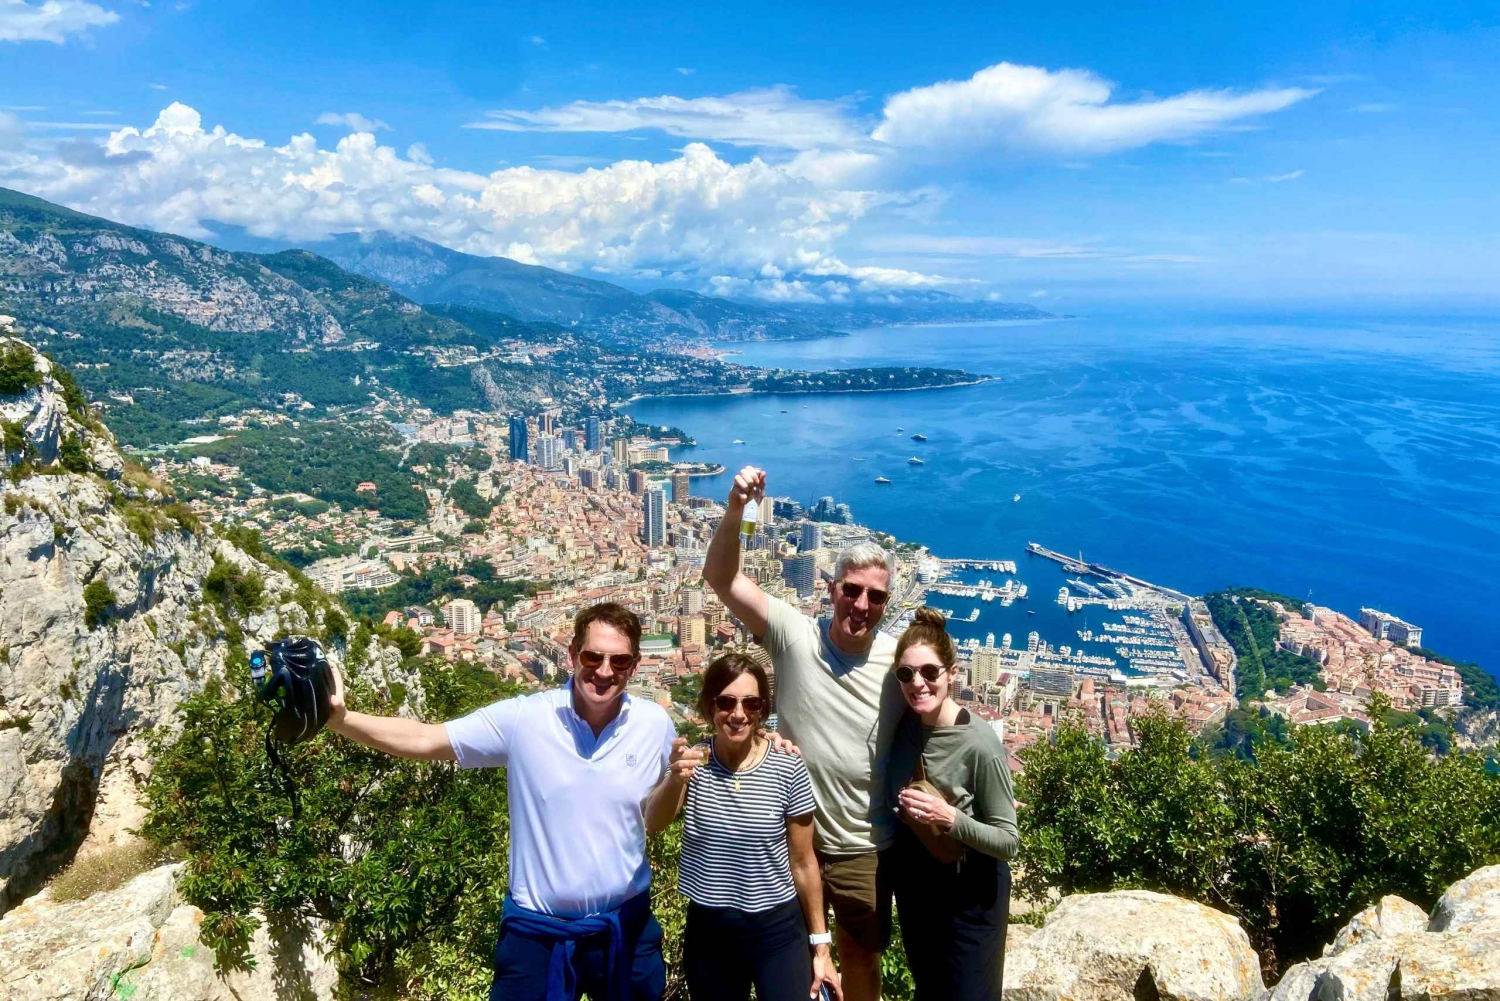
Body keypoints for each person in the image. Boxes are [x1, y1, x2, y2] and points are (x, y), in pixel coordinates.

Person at [325, 602, 676, 1001]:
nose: (605, 671)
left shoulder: (654, 724)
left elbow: (661, 809)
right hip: (536, 935)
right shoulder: (525, 719)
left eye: (619, 660)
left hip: (625, 926)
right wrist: (342, 720)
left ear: (635, 665)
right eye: (593, 657)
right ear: (572, 656)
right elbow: (427, 739)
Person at [703, 465, 907, 1001]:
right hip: (792, 837)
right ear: (832, 588)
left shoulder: (898, 662)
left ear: (887, 604)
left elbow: (941, 719)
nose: (861, 605)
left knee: (862, 961)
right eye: (852, 590)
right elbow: (723, 579)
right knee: (793, 964)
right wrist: (735, 509)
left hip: (865, 844)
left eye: (876, 597)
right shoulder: (795, 633)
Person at [645, 653, 842, 1001]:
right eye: (726, 702)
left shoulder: (788, 768)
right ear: (710, 706)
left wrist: (821, 947)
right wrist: (676, 779)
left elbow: (804, 861)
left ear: (762, 709)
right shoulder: (694, 764)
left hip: (778, 929)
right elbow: (653, 823)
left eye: (750, 703)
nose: (738, 714)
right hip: (710, 930)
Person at [885, 608, 1018, 1001]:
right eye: (906, 674)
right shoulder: (904, 725)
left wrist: (952, 818)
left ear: (953, 673)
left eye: (930, 672)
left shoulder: (979, 745)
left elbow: (1008, 840)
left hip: (972, 897)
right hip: (918, 892)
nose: (918, 684)